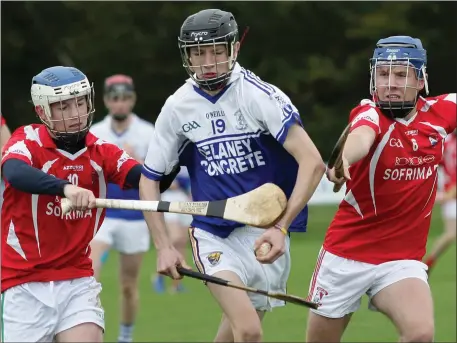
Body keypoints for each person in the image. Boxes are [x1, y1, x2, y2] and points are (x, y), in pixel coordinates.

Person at [139, 8, 326, 343]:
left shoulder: (259, 96)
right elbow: (149, 179)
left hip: (263, 236)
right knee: (249, 330)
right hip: (213, 234)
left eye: (216, 51)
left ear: (234, 49)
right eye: (198, 53)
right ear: (187, 56)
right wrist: (163, 246)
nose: (207, 61)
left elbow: (313, 163)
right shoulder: (178, 107)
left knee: (232, 334)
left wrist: (281, 227)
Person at [0, 66, 176, 342]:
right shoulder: (26, 140)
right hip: (24, 283)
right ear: (43, 111)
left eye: (80, 102)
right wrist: (65, 188)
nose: (75, 113)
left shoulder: (101, 150)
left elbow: (149, 181)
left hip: (77, 280)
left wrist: (177, 152)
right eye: (63, 106)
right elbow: (13, 172)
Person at [305, 36, 456, 343]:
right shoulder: (369, 113)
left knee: (420, 333)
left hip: (401, 260)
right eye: (383, 74)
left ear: (421, 78)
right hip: (346, 257)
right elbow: (361, 137)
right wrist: (344, 158)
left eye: (401, 74)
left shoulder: (443, 112)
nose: (391, 83)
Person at [89, 74, 155, 343]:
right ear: (106, 101)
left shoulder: (148, 133)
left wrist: (136, 161)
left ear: (133, 99)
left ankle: (125, 337)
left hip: (135, 217)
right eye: (114, 99)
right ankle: (91, 332)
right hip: (103, 215)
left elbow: (159, 177)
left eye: (125, 98)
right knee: (89, 277)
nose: (120, 104)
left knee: (128, 286)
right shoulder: (95, 132)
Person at [152, 167, 192, 294]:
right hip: (169, 199)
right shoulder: (169, 156)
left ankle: (176, 284)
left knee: (182, 242)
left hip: (185, 199)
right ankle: (158, 275)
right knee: (174, 238)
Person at [424, 129, 456, 275]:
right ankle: (428, 263)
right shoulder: (447, 142)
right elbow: (436, 162)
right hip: (452, 195)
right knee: (451, 233)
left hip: (451, 192)